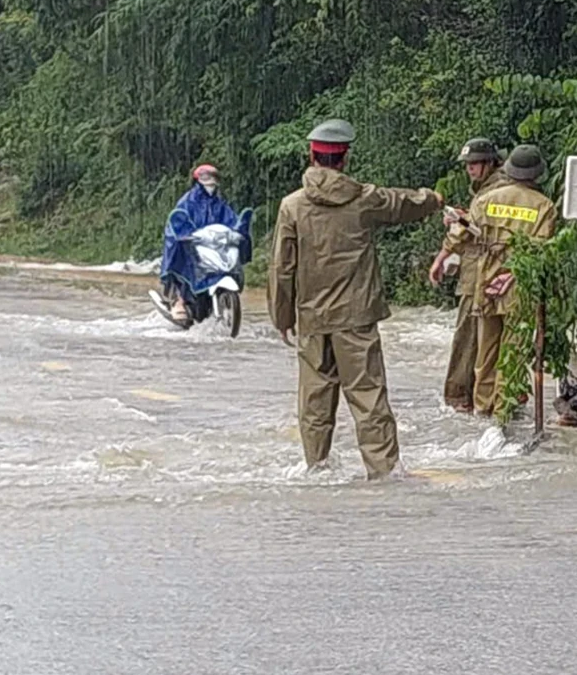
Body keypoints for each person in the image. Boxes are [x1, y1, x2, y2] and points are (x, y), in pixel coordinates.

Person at [267, 118, 445, 481]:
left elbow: (282, 268)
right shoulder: (364, 199)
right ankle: (384, 474)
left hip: (312, 319)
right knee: (368, 398)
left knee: (314, 401)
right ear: (344, 158)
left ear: (311, 156)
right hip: (356, 317)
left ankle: (317, 468)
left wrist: (282, 316)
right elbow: (404, 203)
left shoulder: (292, 206)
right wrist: (434, 199)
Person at [443, 145, 556, 418]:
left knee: (486, 352)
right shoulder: (544, 206)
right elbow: (541, 249)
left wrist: (443, 254)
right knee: (513, 350)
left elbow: (462, 232)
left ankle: (483, 408)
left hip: (486, 282)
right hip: (519, 284)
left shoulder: (486, 200)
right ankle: (504, 412)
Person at [428, 138, 510, 414]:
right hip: (492, 269)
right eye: (467, 165)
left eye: (474, 164)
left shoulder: (494, 190)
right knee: (489, 337)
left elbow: (472, 230)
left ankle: (462, 395)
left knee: (469, 335)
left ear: (489, 163)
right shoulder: (495, 187)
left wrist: (441, 257)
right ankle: (490, 396)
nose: (470, 170)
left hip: (481, 271)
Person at [159, 164, 251, 324]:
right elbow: (178, 221)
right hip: (191, 244)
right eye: (206, 179)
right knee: (184, 261)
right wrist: (186, 234)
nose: (211, 183)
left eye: (214, 178)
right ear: (197, 181)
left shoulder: (220, 203)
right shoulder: (188, 201)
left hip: (212, 245)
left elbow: (231, 220)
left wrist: (237, 231)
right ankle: (179, 299)